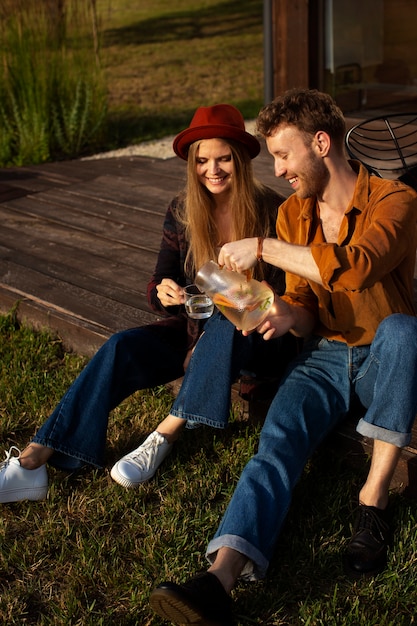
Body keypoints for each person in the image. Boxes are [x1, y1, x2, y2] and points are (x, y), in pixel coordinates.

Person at [149, 89, 417, 626]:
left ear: (321, 144)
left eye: (284, 155)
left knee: (406, 332)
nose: (278, 169)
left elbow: (357, 265)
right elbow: (307, 301)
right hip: (325, 355)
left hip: (387, 356)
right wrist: (288, 316)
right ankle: (219, 579)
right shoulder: (295, 214)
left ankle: (373, 502)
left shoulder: (396, 200)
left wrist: (264, 247)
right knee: (276, 444)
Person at [0, 104, 297, 504]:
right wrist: (164, 292)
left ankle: (162, 436)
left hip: (253, 338)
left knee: (225, 324)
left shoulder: (274, 212)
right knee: (122, 346)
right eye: (203, 161)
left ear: (241, 160)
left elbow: (282, 300)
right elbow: (161, 277)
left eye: (224, 158)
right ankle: (33, 462)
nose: (213, 170)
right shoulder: (182, 211)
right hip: (193, 331)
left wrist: (240, 292)